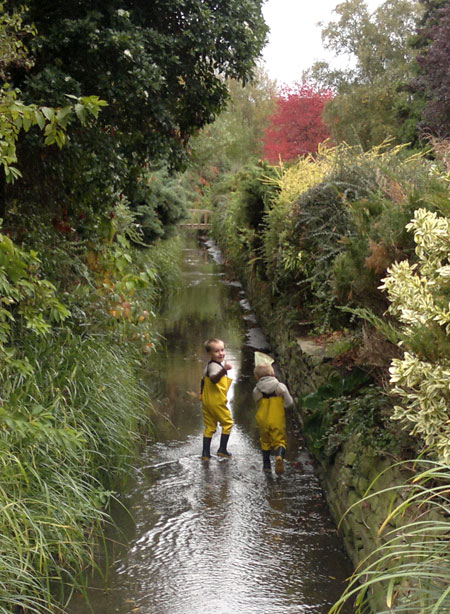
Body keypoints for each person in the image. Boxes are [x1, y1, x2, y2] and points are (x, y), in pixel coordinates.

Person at [253, 363, 293, 475]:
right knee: (280, 441)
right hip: (277, 419)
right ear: (273, 373)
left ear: (257, 377)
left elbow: (256, 401)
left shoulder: (257, 390)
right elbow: (289, 403)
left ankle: (266, 466)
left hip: (263, 420)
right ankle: (279, 456)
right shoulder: (280, 387)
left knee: (265, 441)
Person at [200, 338, 234, 460]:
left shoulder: (208, 366)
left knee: (210, 427)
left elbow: (203, 380)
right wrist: (224, 370)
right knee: (228, 423)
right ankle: (222, 450)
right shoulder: (215, 367)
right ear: (209, 354)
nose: (221, 353)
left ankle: (205, 454)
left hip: (207, 401)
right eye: (216, 351)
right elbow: (214, 379)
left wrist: (201, 393)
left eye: (222, 350)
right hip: (216, 402)